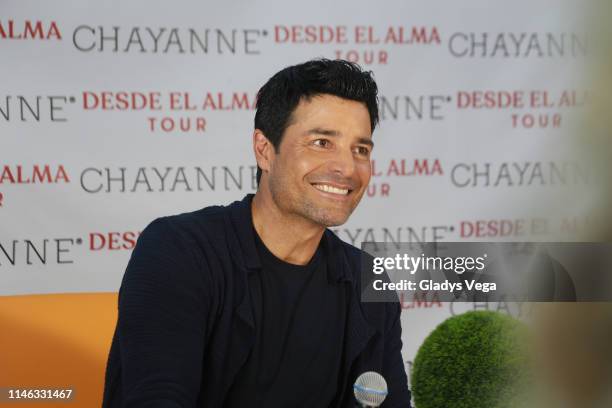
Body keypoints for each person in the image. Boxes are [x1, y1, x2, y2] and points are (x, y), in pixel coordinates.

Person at [102, 58, 411, 407]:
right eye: (322, 142)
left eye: (361, 149)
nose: (346, 168)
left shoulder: (368, 281)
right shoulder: (178, 251)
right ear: (265, 150)